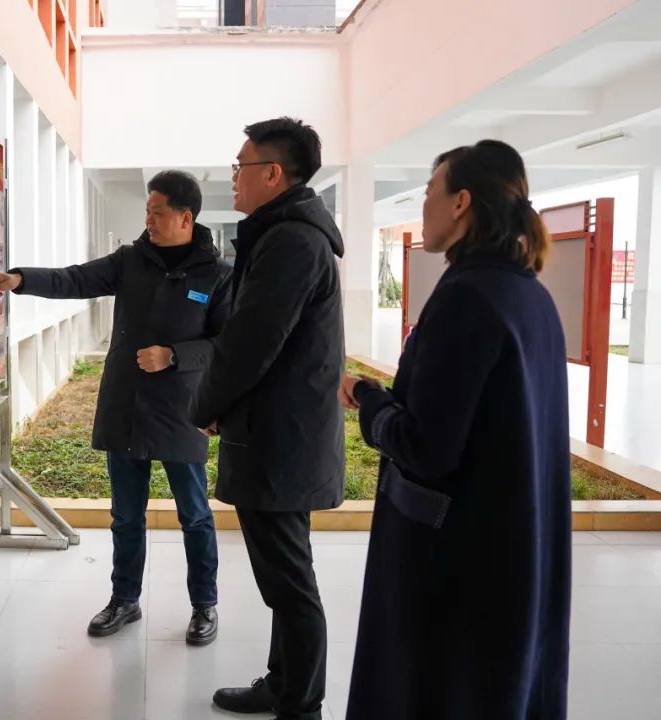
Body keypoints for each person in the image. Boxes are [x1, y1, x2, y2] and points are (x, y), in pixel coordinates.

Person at [339, 140, 571, 720]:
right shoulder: (530, 296)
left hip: (456, 558)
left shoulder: (465, 297)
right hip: (515, 544)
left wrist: (368, 400)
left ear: (461, 202)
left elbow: (426, 448)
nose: (422, 206)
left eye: (428, 192)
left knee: (441, 690)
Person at [0, 170, 232, 645]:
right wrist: (21, 279)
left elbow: (225, 344)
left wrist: (174, 356)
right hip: (127, 406)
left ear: (186, 218)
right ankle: (124, 599)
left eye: (158, 213)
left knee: (195, 514)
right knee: (126, 514)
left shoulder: (217, 275)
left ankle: (204, 605)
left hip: (182, 411)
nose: (149, 221)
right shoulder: (131, 261)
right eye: (147, 212)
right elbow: (76, 278)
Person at [190, 117, 344, 720]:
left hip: (282, 441)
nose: (234, 177)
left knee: (289, 583)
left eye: (241, 166)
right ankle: (284, 686)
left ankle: (300, 705)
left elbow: (250, 344)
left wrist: (205, 406)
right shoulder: (285, 235)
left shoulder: (291, 243)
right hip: (281, 435)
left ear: (273, 173)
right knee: (285, 576)